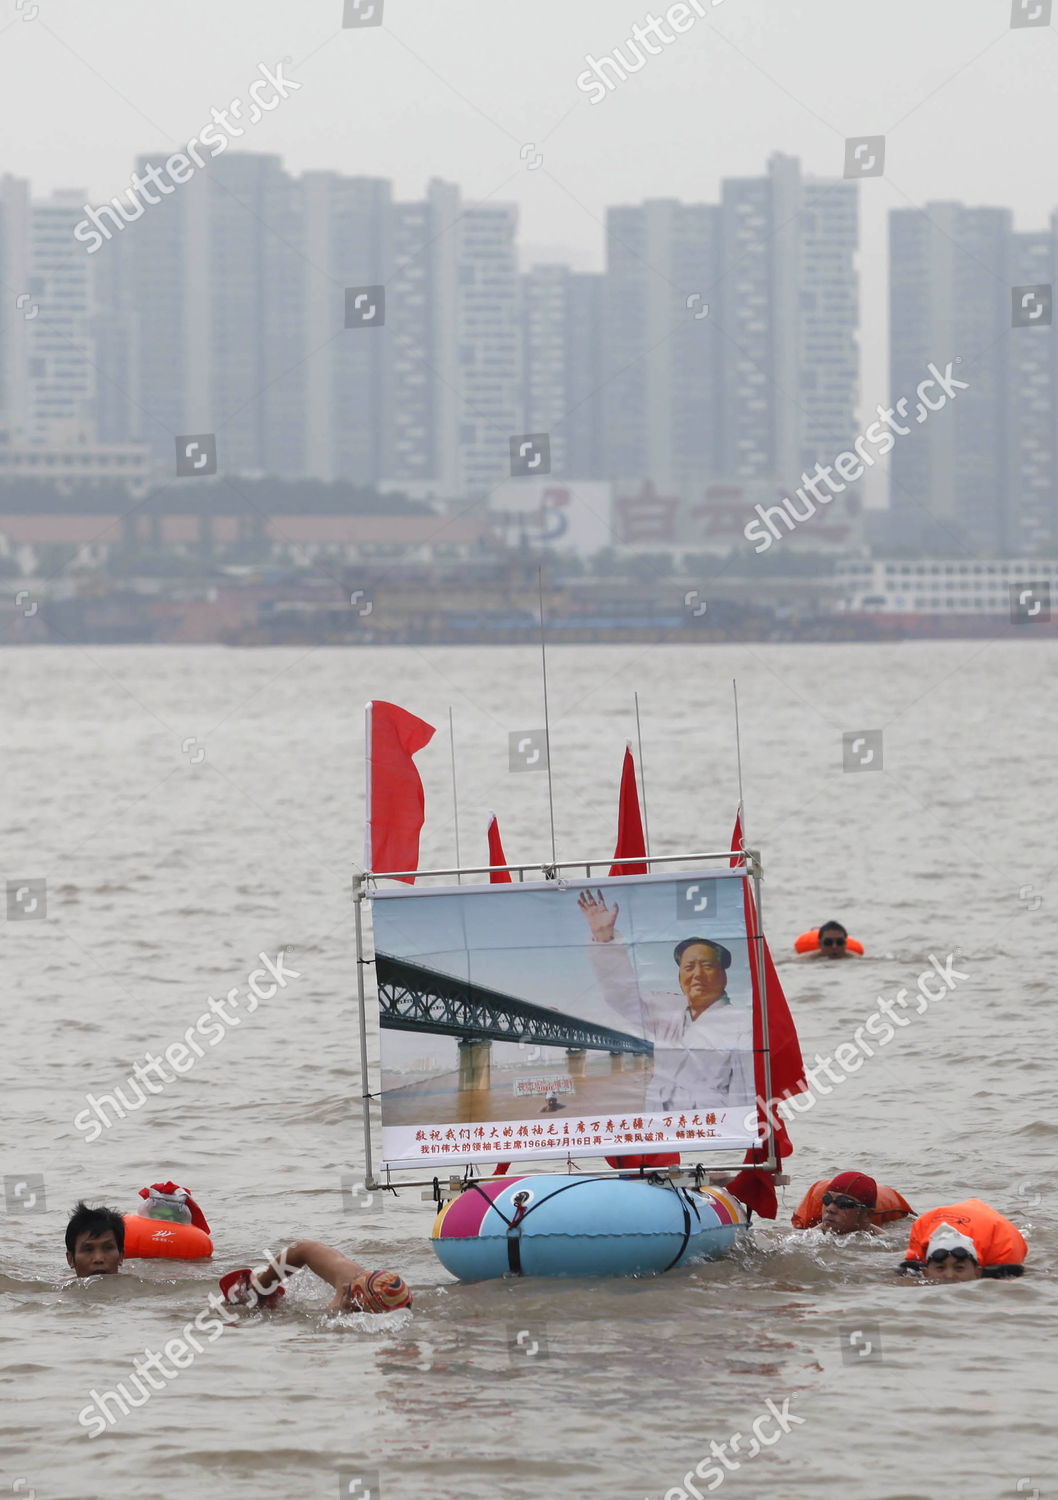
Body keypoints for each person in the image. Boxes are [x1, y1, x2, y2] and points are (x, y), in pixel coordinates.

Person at [576, 889, 753, 1113]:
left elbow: (744, 1090)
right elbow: (621, 995)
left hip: (711, 1125)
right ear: (680, 977)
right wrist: (604, 938)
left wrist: (737, 1131)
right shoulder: (668, 1009)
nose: (697, 974)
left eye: (707, 966)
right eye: (688, 967)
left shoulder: (741, 1023)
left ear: (723, 974)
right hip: (661, 1122)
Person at [219, 1239, 413, 1313]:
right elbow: (304, 1248)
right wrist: (260, 1287)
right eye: (349, 1286)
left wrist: (338, 1312)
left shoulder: (345, 1308)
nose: (345, 1288)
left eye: (349, 1293)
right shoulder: (351, 1278)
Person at [898, 1199, 1028, 1281]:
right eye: (940, 1268)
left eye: (959, 1268)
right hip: (939, 1219)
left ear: (978, 1272)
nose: (949, 1276)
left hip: (988, 1224)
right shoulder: (920, 1236)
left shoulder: (1002, 1252)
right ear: (925, 1272)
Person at [65, 1202, 125, 1278]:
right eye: (88, 1250)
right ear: (70, 1259)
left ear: (121, 1256)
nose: (98, 1259)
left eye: (108, 1248)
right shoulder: (59, 1288)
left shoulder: (136, 1286)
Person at [817, 1172, 880, 1236]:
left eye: (843, 1203)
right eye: (827, 1199)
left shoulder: (884, 1242)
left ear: (867, 1215)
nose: (830, 1209)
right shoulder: (812, 1235)